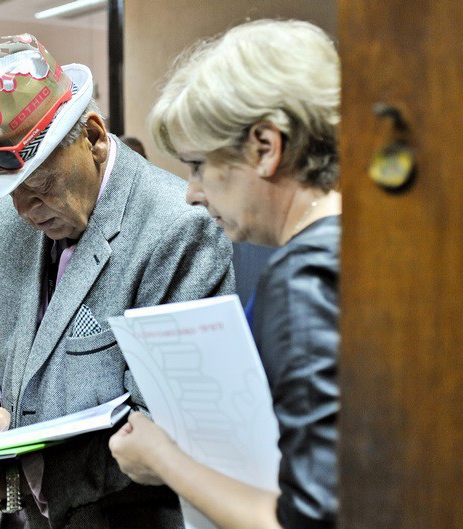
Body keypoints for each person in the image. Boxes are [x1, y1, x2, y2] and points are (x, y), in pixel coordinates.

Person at [0, 34, 235, 529]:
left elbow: (166, 428)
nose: (25, 211)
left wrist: (17, 477)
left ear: (95, 138)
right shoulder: (11, 223)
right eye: (12, 194)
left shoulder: (177, 229)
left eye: (41, 187)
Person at [108, 19, 341, 529]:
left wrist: (163, 460)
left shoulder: (305, 279)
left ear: (265, 147)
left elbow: (307, 520)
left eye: (197, 165)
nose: (191, 193)